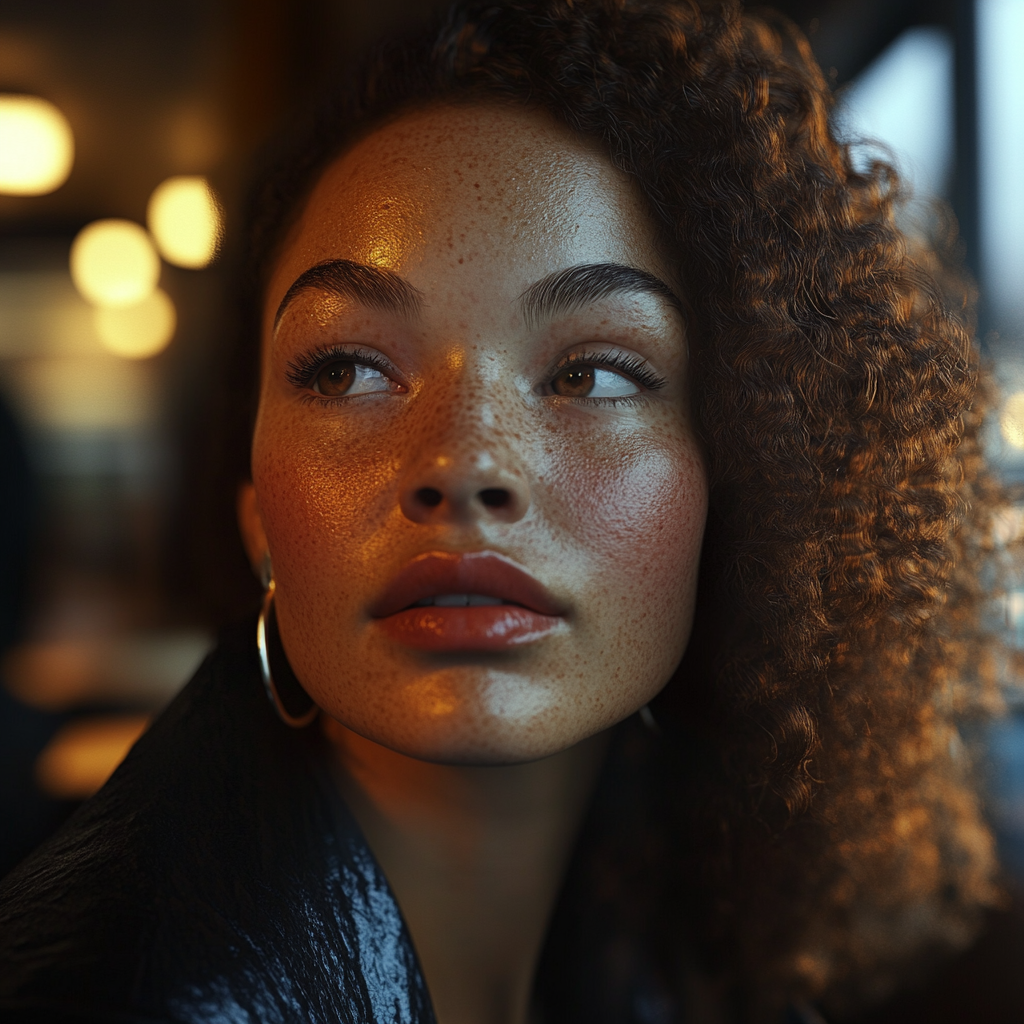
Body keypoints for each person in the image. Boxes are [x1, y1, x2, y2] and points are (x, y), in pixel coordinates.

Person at [0, 2, 1018, 1022]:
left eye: (592, 373)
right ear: (257, 512)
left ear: (747, 478)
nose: (465, 462)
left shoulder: (667, 927)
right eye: (349, 368)